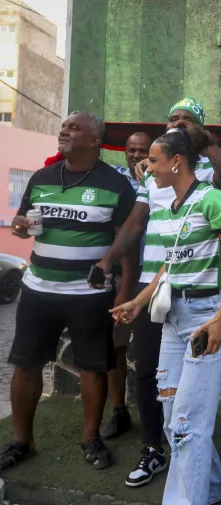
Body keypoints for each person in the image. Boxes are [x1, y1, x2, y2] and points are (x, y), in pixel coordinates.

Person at [90, 98, 221, 488]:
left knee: (188, 396)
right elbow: (135, 222)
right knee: (149, 371)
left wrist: (203, 142)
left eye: (186, 120)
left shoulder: (205, 173)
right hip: (155, 282)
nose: (177, 123)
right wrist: (109, 260)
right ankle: (153, 448)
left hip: (198, 289)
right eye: (172, 118)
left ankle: (194, 467)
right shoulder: (153, 174)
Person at [110, 128, 221, 505]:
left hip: (206, 320)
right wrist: (138, 302)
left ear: (176, 162)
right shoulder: (171, 207)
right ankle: (213, 486)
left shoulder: (212, 199)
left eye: (153, 160)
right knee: (173, 419)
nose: (147, 167)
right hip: (173, 321)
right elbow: (169, 267)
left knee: (188, 424)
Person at [0, 112, 136, 471]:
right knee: (26, 364)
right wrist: (20, 226)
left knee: (93, 368)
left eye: (74, 128)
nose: (64, 131)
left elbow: (127, 239)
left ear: (94, 141)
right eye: (63, 127)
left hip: (88, 293)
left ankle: (90, 438)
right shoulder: (42, 177)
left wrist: (123, 290)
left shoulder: (115, 184)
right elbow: (22, 223)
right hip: (38, 288)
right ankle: (22, 442)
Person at [101, 131, 152, 441]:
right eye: (131, 150)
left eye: (142, 150)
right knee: (115, 346)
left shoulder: (164, 178)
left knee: (153, 351)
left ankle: (158, 414)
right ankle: (119, 410)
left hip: (155, 277)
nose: (136, 155)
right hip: (123, 274)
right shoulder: (117, 180)